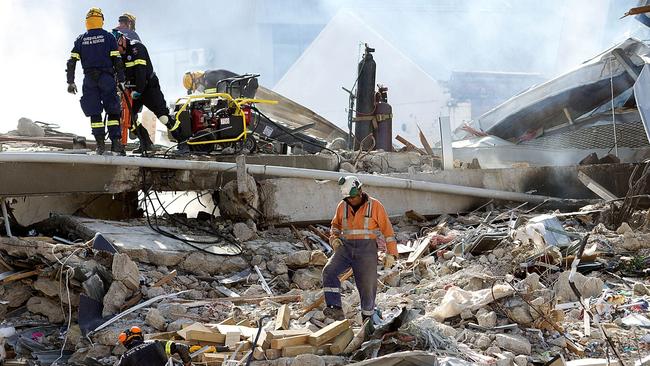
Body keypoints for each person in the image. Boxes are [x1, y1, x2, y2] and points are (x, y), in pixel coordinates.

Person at [322, 176, 398, 321]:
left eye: (354, 197)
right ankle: (335, 308)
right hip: (346, 247)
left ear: (360, 190)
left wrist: (392, 254)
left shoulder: (375, 206)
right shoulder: (342, 206)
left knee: (367, 286)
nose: (351, 201)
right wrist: (334, 239)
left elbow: (388, 231)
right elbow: (335, 226)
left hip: (366, 250)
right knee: (329, 271)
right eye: (348, 199)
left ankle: (368, 317)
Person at [113, 31, 190, 154]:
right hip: (132, 90)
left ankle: (183, 142)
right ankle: (145, 143)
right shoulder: (119, 54)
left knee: (163, 116)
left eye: (117, 47)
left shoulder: (137, 48)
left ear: (121, 40)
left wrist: (138, 90)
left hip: (149, 88)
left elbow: (141, 73)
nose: (117, 51)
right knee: (128, 118)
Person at [66, 7, 126, 155]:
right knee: (113, 110)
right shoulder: (108, 37)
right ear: (101, 20)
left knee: (94, 112)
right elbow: (117, 60)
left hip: (89, 80)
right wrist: (122, 80)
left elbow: (71, 61)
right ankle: (116, 144)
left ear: (87, 21)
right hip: (106, 78)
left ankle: (100, 145)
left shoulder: (81, 39)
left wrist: (70, 82)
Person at [117, 326, 191, 366]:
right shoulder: (155, 343)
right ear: (140, 335)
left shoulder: (125, 357)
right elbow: (181, 347)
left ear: (125, 343)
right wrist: (187, 364)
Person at [182, 69, 258, 98]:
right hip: (241, 94)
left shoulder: (209, 77)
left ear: (197, 80)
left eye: (197, 87)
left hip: (245, 92)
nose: (198, 89)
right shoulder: (208, 79)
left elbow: (223, 90)